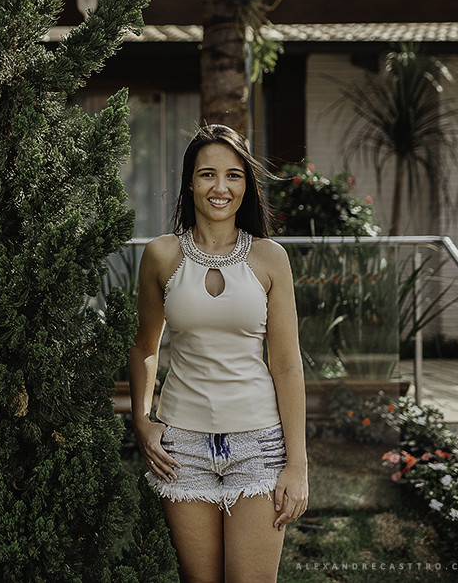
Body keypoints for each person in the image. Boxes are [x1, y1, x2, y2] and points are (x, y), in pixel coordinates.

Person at [128, 124, 308, 583]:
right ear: (190, 181)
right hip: (182, 449)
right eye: (208, 174)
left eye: (234, 175)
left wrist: (297, 465)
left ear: (247, 185)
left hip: (259, 446)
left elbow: (286, 364)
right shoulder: (161, 255)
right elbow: (145, 346)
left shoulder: (271, 259)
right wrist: (142, 419)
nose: (220, 187)